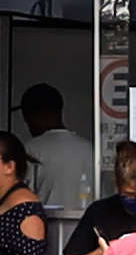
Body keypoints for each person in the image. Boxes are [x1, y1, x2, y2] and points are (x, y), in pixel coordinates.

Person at [15, 84, 92, 216]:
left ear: (31, 116)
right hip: (85, 227)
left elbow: (19, 199)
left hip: (45, 227)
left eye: (27, 120)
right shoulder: (88, 148)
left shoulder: (31, 150)